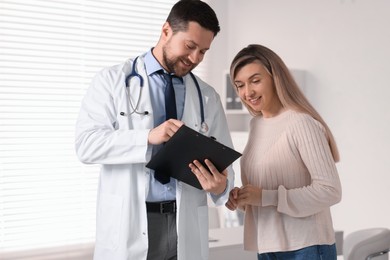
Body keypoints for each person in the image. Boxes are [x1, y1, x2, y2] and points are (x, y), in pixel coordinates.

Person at [75, 1, 235, 260]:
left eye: (203, 52)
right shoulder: (113, 80)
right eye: (190, 46)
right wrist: (147, 137)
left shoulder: (207, 97)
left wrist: (221, 186)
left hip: (185, 223)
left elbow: (226, 168)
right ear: (166, 31)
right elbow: (86, 145)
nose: (195, 58)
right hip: (132, 222)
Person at [225, 44, 342, 260]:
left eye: (255, 81)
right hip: (268, 246)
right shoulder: (256, 125)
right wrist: (244, 199)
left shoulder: (301, 123)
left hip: (306, 247)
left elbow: (330, 190)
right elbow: (264, 197)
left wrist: (265, 196)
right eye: (240, 85)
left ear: (275, 77)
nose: (247, 92)